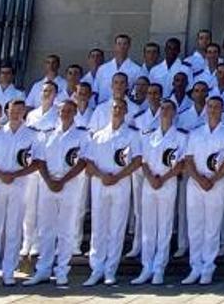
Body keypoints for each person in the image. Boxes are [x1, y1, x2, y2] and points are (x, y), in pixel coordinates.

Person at [24, 100, 91, 286]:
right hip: (48, 183)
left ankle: (62, 270)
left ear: (75, 112)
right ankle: (43, 270)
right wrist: (49, 180)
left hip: (69, 184)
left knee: (66, 230)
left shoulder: (82, 135)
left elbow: (82, 162)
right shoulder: (46, 135)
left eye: (69, 110)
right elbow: (39, 161)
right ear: (57, 112)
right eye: (62, 110)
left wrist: (63, 180)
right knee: (45, 229)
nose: (65, 113)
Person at [0, 100, 40, 287]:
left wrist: (15, 174)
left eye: (20, 110)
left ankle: (9, 271)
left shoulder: (32, 135)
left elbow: (37, 162)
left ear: (24, 113)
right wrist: (2, 175)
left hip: (19, 184)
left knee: (13, 228)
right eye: (13, 110)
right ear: (7, 111)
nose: (16, 113)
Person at [83, 98, 142, 286]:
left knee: (116, 228)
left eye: (120, 108)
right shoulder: (99, 135)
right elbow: (89, 163)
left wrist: (118, 176)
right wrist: (103, 176)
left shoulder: (132, 135)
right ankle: (96, 268)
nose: (117, 110)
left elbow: (137, 161)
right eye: (114, 107)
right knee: (98, 227)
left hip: (121, 183)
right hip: (100, 183)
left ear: (126, 112)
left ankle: (110, 270)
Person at [132, 100, 189, 285]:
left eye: (168, 109)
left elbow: (181, 163)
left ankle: (159, 268)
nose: (164, 112)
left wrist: (163, 179)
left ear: (175, 112)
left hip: (168, 182)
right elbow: (143, 161)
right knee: (148, 227)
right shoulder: (148, 135)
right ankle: (146, 267)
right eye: (162, 108)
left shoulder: (181, 136)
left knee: (164, 227)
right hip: (150, 183)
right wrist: (150, 178)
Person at [182, 96, 224, 285]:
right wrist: (199, 179)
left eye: (217, 107)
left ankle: (207, 268)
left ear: (222, 110)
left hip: (217, 183)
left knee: (212, 228)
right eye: (210, 106)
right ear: (206, 109)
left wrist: (212, 179)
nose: (213, 110)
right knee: (195, 227)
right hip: (196, 183)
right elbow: (188, 160)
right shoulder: (196, 133)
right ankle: (194, 267)